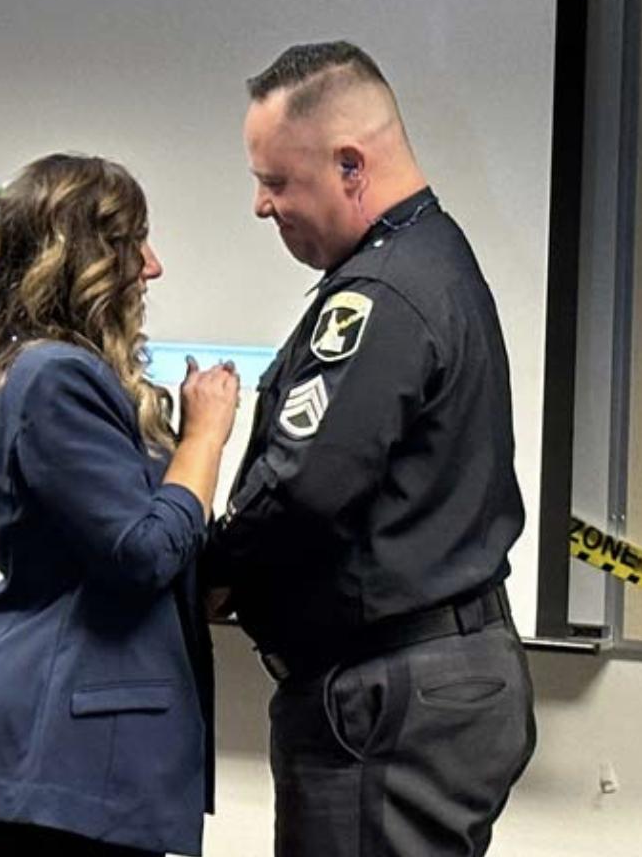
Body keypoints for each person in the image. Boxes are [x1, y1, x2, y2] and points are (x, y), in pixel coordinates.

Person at [203, 42, 537, 857]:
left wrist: (204, 571)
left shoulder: (382, 295)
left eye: (276, 181)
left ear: (351, 164)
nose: (261, 204)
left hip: (389, 698)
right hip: (418, 682)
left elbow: (303, 488)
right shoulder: (429, 258)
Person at [0, 153, 240, 857]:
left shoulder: (82, 377)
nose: (152, 266)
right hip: (60, 745)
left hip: (79, 745)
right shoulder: (53, 375)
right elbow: (141, 552)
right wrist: (206, 438)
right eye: (134, 242)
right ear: (85, 259)